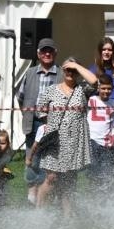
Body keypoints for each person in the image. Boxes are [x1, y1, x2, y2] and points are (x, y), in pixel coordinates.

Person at [32, 57, 98, 213]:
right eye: (68, 69)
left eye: (74, 70)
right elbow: (40, 110)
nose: (71, 72)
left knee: (68, 180)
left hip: (75, 140)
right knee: (51, 178)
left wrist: (76, 65)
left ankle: (67, 216)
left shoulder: (83, 89)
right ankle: (39, 213)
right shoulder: (51, 90)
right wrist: (48, 125)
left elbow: (94, 81)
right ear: (63, 70)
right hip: (55, 141)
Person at [15, 38, 61, 204]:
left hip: (55, 125)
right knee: (32, 160)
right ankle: (32, 197)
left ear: (55, 53)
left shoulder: (62, 74)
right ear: (38, 54)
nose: (47, 54)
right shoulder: (29, 72)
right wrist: (28, 115)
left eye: (50, 50)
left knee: (52, 160)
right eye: (43, 51)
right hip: (33, 123)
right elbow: (20, 98)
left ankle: (49, 196)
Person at [87, 76, 114, 188]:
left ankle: (105, 198)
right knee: (93, 172)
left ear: (113, 88)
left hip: (107, 144)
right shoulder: (91, 100)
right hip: (92, 141)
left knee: (107, 173)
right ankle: (94, 196)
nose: (106, 91)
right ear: (98, 88)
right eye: (103, 88)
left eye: (109, 89)